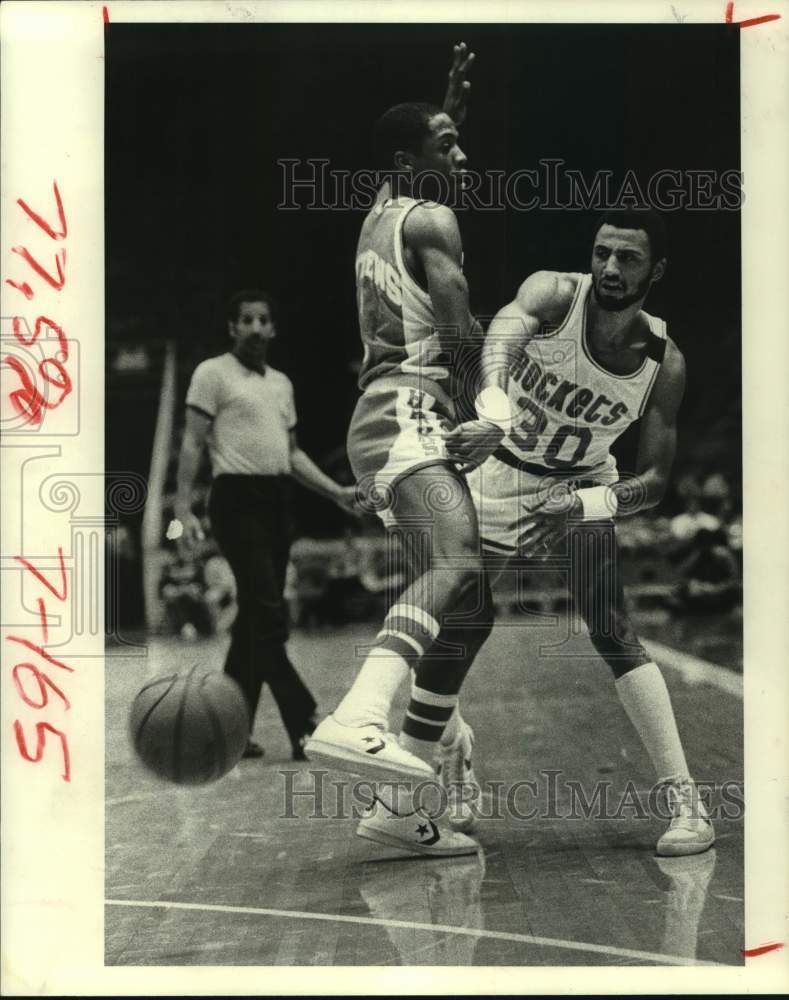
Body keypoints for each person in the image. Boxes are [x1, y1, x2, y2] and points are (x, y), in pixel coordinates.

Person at [446, 208, 715, 856]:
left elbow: (654, 481)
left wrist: (588, 504)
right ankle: (452, 751)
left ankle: (686, 804)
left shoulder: (663, 361)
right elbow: (500, 337)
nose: (610, 268)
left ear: (656, 270)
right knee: (452, 623)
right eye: (602, 253)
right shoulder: (553, 294)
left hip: (581, 483)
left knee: (612, 627)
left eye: (628, 258)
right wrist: (494, 409)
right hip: (499, 469)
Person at [306, 44, 490, 855]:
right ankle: (357, 715)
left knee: (470, 610)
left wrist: (444, 106)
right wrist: (493, 409)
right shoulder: (434, 221)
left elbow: (406, 154)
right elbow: (460, 330)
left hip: (383, 421)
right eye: (447, 145)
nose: (462, 155)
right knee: (457, 561)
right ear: (408, 163)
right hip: (405, 409)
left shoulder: (381, 211)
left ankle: (398, 803)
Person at [172, 289, 357, 760]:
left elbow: (291, 454)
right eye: (247, 320)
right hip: (236, 500)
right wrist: (182, 510)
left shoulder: (281, 384)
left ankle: (228, 732)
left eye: (263, 320)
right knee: (269, 618)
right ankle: (305, 721)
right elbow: (192, 444)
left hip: (277, 502)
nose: (256, 328)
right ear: (232, 327)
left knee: (254, 621)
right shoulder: (211, 374)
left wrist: (336, 493)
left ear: (273, 328)